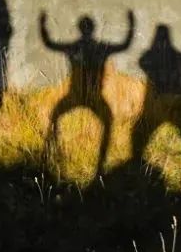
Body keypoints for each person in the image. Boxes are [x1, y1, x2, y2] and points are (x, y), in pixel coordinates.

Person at [40, 10, 135, 180]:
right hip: (87, 96)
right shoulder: (99, 48)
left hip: (79, 95)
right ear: (92, 29)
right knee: (106, 123)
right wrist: (131, 25)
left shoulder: (76, 47)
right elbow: (125, 45)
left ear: (80, 29)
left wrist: (42, 25)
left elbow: (49, 43)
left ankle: (53, 158)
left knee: (56, 117)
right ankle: (97, 167)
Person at [130, 19, 181, 187]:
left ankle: (136, 174)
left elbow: (141, 62)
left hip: (163, 105)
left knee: (138, 136)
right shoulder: (177, 58)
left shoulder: (151, 58)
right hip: (173, 105)